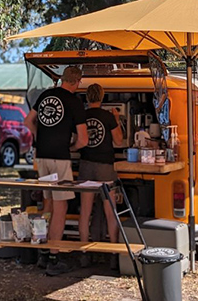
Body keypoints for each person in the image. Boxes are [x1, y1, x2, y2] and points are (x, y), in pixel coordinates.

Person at [24, 65, 88, 276]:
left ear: (62, 79)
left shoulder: (45, 95)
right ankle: (54, 256)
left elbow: (28, 120)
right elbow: (83, 139)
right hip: (60, 158)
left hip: (41, 156)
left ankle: (43, 251)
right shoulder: (74, 102)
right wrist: (71, 147)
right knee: (61, 206)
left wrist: (38, 136)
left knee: (47, 203)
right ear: (77, 82)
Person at [78, 83, 123, 268]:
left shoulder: (81, 116)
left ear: (87, 98)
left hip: (86, 164)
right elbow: (119, 141)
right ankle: (113, 254)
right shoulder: (107, 117)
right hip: (106, 165)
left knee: (85, 212)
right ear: (102, 97)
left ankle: (84, 253)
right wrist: (117, 119)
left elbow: (77, 140)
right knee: (110, 212)